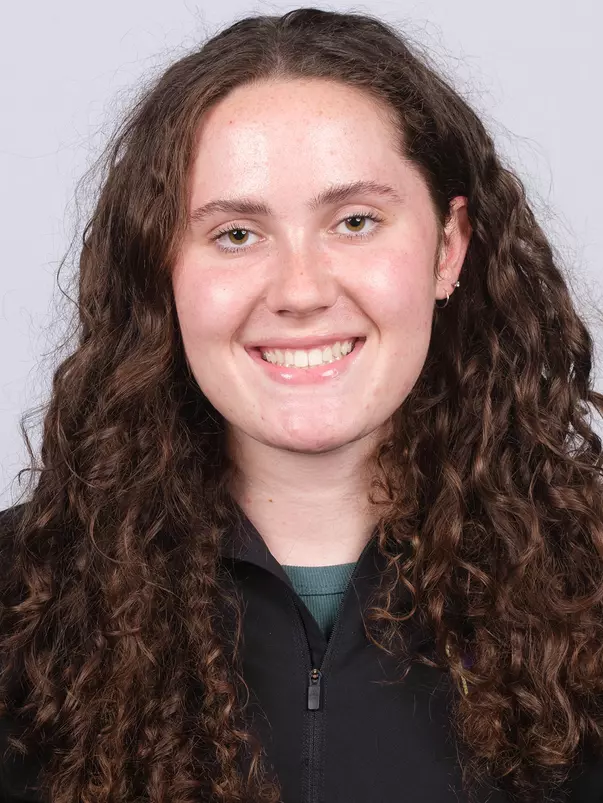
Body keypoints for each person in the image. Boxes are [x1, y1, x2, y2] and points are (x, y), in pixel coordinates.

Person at [1, 6, 603, 803]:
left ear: (447, 247)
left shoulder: (588, 590)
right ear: (160, 267)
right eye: (236, 234)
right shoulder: (19, 605)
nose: (299, 291)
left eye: (354, 221)